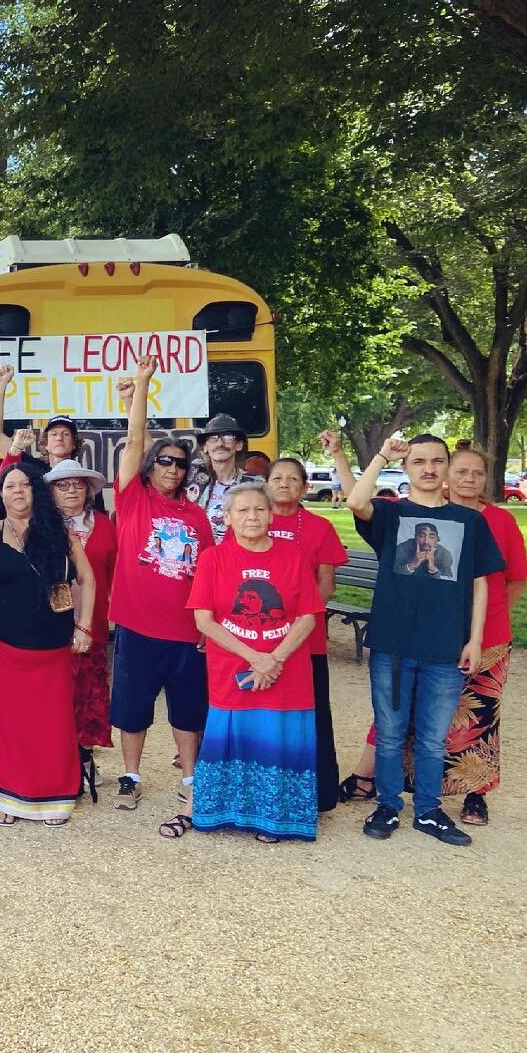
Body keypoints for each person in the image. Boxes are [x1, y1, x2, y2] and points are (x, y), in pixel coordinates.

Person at [347, 434, 503, 847]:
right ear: (408, 467)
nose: (428, 469)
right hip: (394, 644)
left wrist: (474, 640)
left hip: (444, 647)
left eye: (437, 461)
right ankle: (387, 804)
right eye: (419, 461)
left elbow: (480, 582)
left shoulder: (470, 521)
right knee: (391, 731)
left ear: (448, 467)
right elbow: (355, 502)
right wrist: (382, 456)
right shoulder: (390, 515)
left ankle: (429, 811)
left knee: (435, 737)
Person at [172, 481, 325, 842]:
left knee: (279, 739)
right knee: (229, 738)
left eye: (259, 509)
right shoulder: (214, 558)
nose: (252, 517)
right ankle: (218, 811)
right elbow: (204, 620)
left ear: (271, 514)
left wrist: (275, 659)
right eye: (242, 510)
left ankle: (275, 820)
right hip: (233, 668)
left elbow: (307, 616)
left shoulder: (294, 556)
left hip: (286, 670)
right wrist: (256, 658)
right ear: (227, 518)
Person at [108, 354, 214, 813]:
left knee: (188, 709)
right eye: (165, 462)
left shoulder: (195, 515)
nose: (173, 469)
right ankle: (131, 775)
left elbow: (209, 572)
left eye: (180, 464)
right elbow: (133, 441)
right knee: (133, 707)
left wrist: (210, 626)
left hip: (187, 632)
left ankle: (190, 776)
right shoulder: (134, 500)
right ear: (151, 466)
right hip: (138, 626)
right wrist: (142, 386)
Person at [0, 461, 94, 825]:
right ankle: (8, 799)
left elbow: (86, 578)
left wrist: (84, 626)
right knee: (8, 725)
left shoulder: (59, 532)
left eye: (24, 485)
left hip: (53, 644)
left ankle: (55, 798)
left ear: (35, 490)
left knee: (53, 724)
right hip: (8, 645)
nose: (17, 491)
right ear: (0, 494)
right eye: (9, 486)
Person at [441, 446, 527, 824]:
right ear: (447, 476)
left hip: (489, 637)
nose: (469, 479)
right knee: (431, 712)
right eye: (461, 472)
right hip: (437, 633)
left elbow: (517, 578)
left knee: (480, 716)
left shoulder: (501, 522)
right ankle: (420, 786)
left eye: (477, 473)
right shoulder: (434, 514)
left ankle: (476, 794)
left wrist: (492, 617)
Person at [267, 451, 349, 814]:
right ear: (266, 485)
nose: (284, 484)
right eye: (277, 478)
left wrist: (295, 623)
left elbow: (325, 584)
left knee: (312, 713)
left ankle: (317, 792)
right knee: (263, 713)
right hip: (257, 637)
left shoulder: (320, 528)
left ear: (305, 487)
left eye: (292, 479)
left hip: (304, 637)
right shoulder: (253, 520)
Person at [44, 459, 117, 792]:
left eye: (77, 484)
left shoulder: (105, 525)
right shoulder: (42, 526)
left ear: (88, 491)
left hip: (95, 624)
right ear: (51, 492)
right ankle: (57, 762)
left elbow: (115, 573)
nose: (71, 490)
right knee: (56, 695)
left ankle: (85, 759)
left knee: (90, 695)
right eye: (63, 485)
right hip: (51, 626)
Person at [186, 413, 261, 542]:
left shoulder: (255, 484)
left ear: (239, 445)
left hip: (235, 557)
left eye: (228, 436)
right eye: (213, 437)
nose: (220, 443)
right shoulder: (190, 478)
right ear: (205, 447)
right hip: (195, 554)